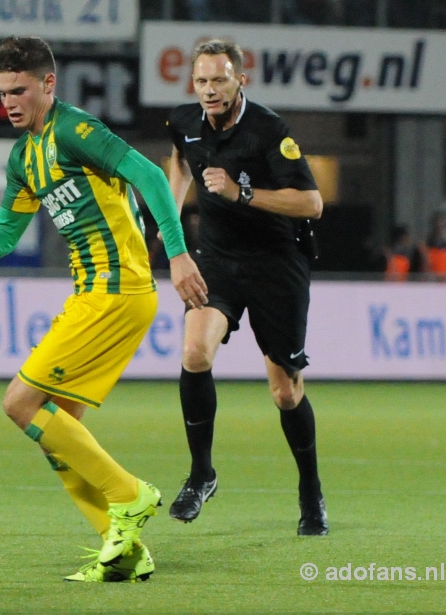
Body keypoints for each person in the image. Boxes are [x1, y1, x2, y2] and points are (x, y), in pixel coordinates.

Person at [0, 36, 208, 582]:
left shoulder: (74, 130)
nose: (9, 101)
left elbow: (152, 175)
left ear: (48, 85)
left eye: (19, 90)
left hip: (117, 289)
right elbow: (6, 234)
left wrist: (177, 255)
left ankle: (131, 495)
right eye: (2, 92)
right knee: (61, 434)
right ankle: (122, 550)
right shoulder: (22, 156)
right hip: (93, 294)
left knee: (19, 403)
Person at [165, 40, 328, 536]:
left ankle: (310, 491)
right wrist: (170, 220)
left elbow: (313, 203)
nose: (209, 90)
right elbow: (177, 162)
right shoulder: (184, 122)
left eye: (219, 80)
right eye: (201, 81)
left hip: (277, 265)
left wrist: (242, 192)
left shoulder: (270, 131)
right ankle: (201, 474)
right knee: (195, 352)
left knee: (284, 392)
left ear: (240, 80)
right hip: (217, 261)